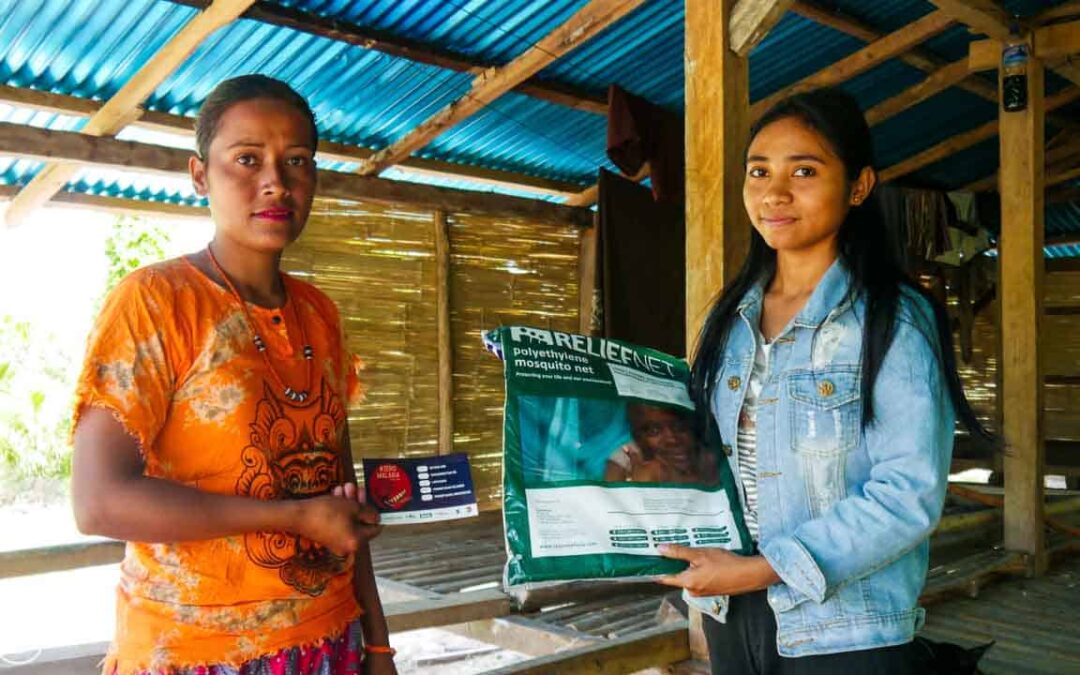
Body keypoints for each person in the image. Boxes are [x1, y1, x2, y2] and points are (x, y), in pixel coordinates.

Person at [656, 88, 993, 674]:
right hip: (729, 608)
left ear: (859, 186)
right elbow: (704, 455)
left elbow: (907, 495)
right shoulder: (730, 319)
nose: (773, 193)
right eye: (758, 171)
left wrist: (765, 568)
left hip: (845, 628)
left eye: (804, 170)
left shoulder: (892, 318)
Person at [71, 75, 396, 675]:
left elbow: (339, 481)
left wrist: (377, 643)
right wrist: (296, 517)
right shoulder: (156, 302)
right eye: (247, 159)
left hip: (330, 637)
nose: (276, 181)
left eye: (297, 161)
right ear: (201, 175)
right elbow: (99, 503)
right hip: (198, 652)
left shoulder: (319, 312)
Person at [602, 403, 716, 485]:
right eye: (654, 431)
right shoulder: (626, 459)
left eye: (680, 426)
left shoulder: (715, 458)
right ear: (638, 439)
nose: (672, 439)